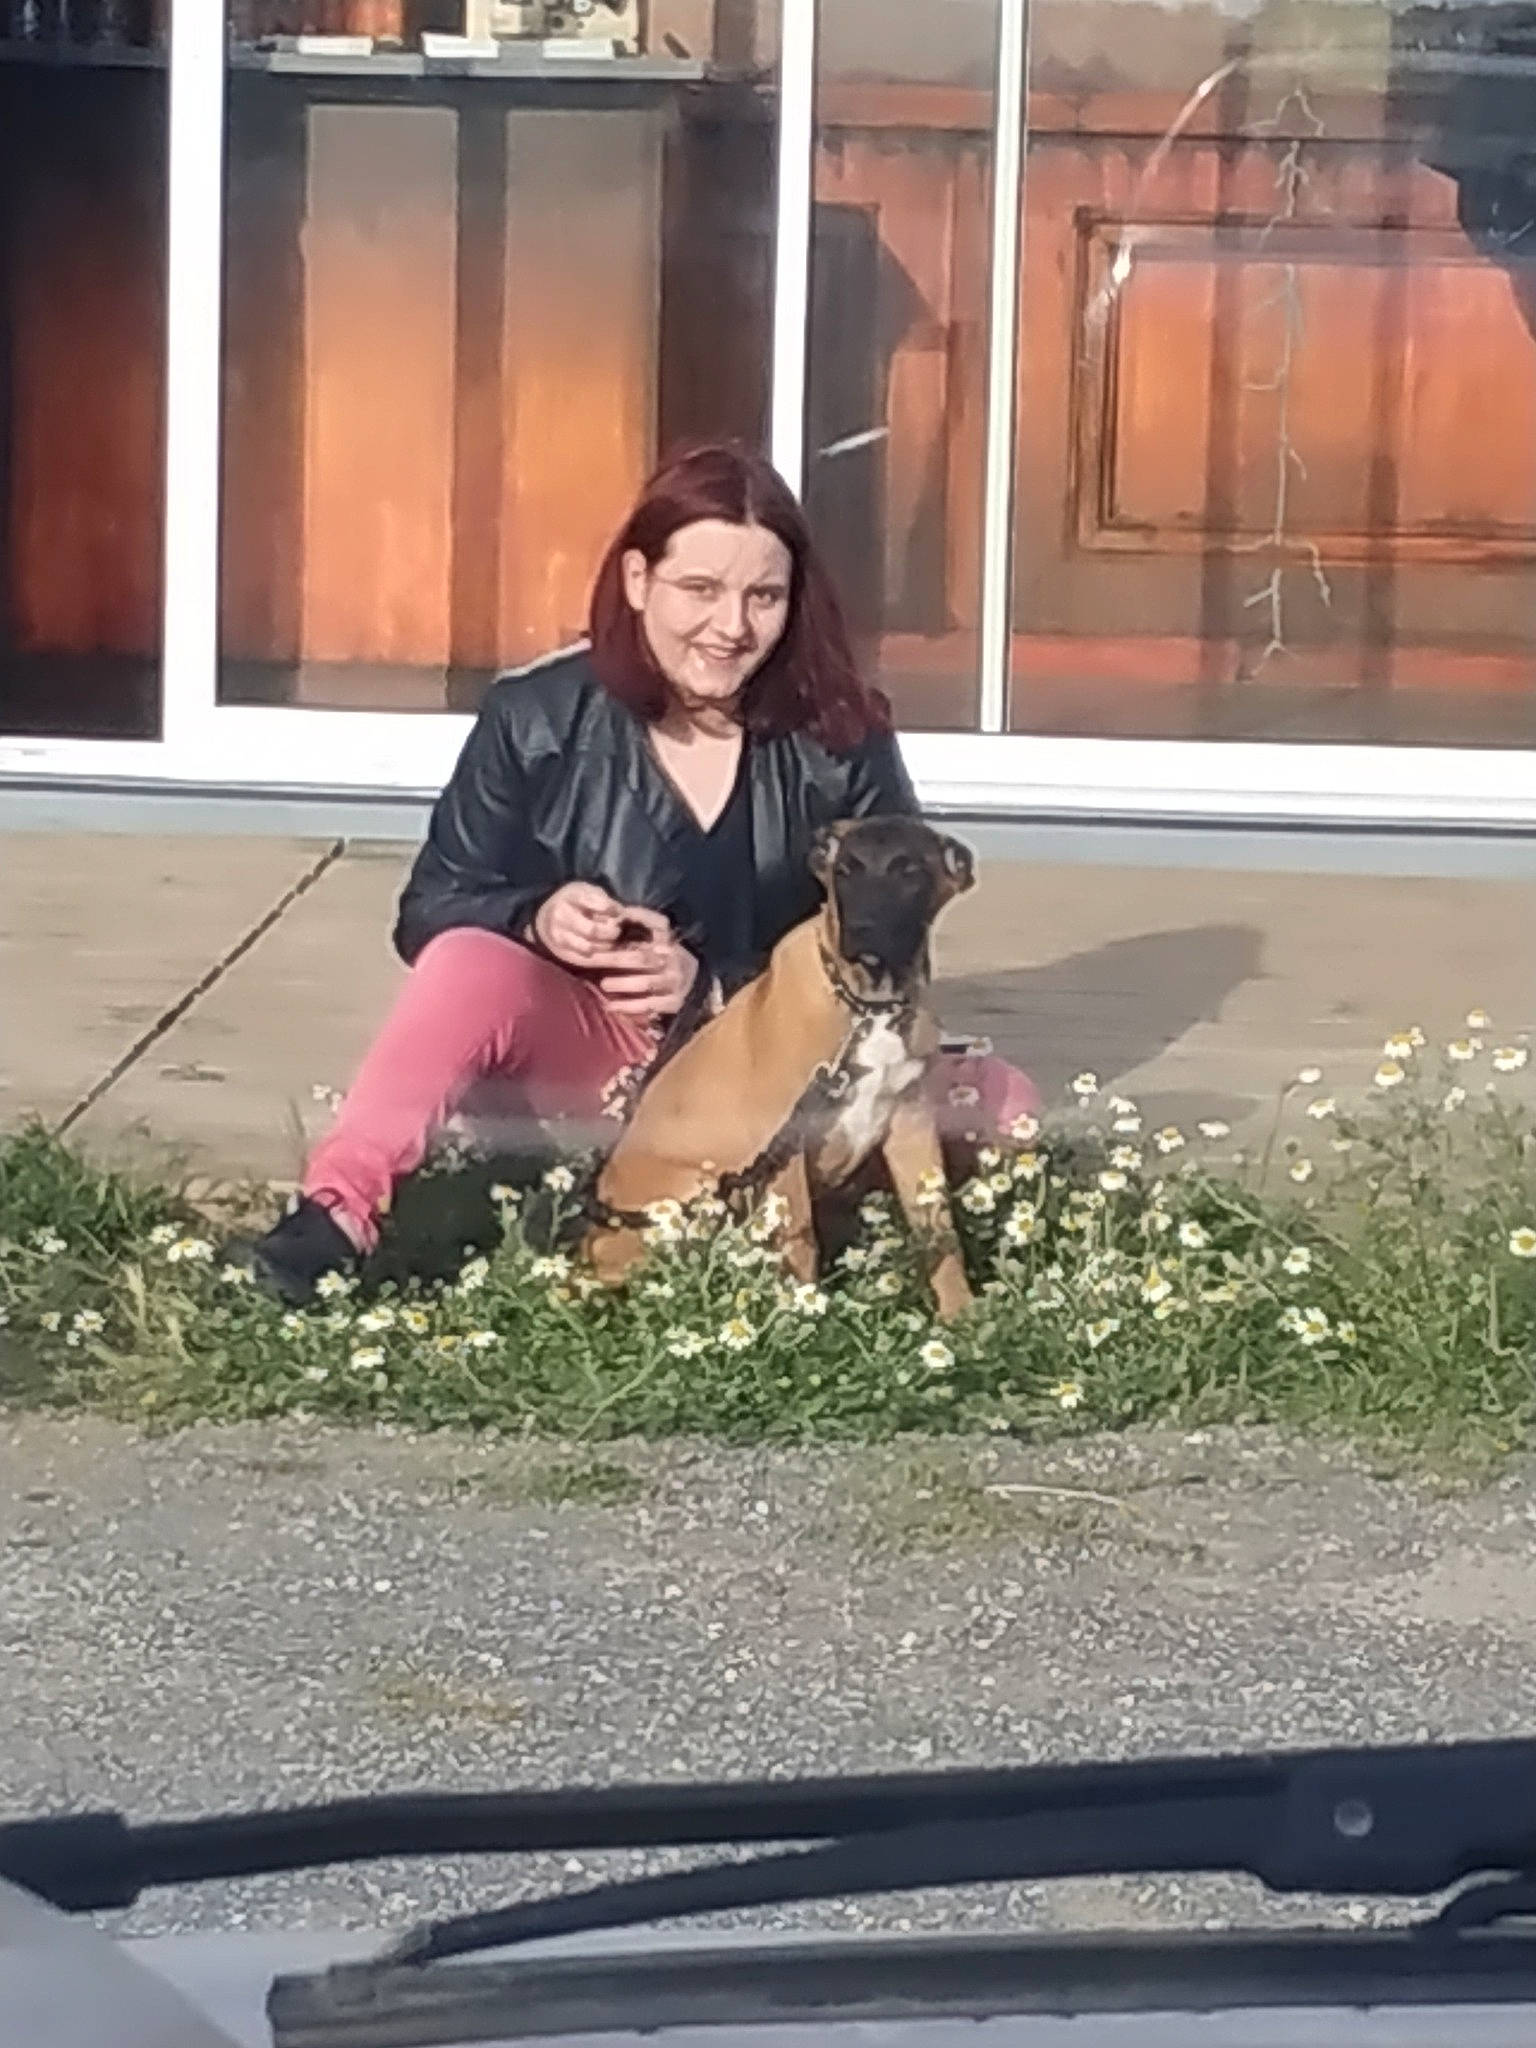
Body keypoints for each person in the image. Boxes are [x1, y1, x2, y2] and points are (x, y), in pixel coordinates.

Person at [246, 441, 1038, 1305]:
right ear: (636, 581)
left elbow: (892, 930)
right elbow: (431, 907)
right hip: (596, 1058)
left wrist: (716, 988)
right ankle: (334, 1217)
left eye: (763, 596)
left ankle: (797, 1218)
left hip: (779, 1055)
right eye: (699, 590)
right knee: (470, 961)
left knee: (1004, 1100)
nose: (731, 627)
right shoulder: (536, 715)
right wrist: (536, 918)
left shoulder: (843, 733)